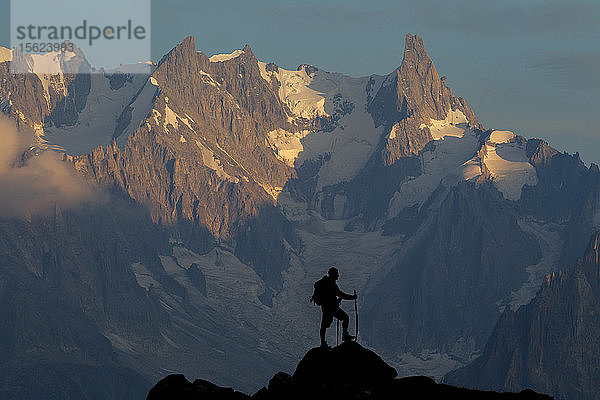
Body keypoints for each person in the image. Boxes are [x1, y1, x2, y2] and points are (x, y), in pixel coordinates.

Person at [319, 267, 357, 347]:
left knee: (324, 325)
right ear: (333, 274)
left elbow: (331, 296)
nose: (338, 276)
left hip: (327, 307)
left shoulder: (327, 282)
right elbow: (340, 294)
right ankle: (344, 336)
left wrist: (336, 301)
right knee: (344, 318)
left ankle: (323, 342)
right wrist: (352, 297)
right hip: (331, 308)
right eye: (337, 274)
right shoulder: (331, 284)